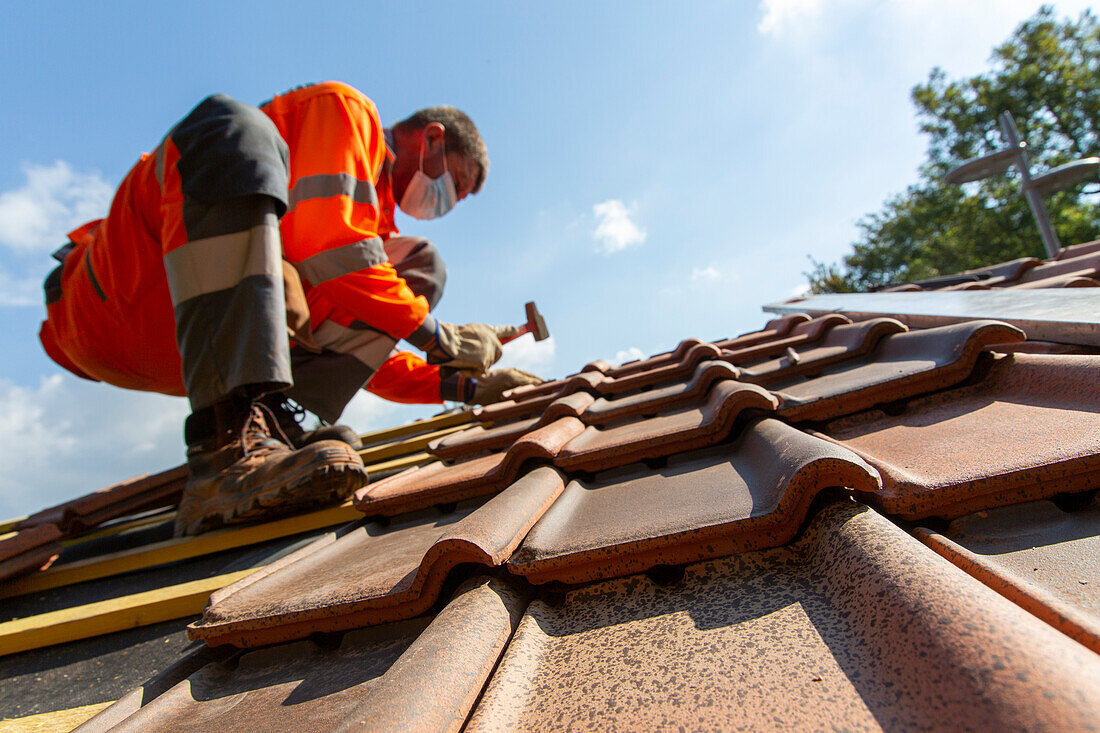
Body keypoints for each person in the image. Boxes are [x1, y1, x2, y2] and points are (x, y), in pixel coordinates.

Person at [38, 81, 542, 536]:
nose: (445, 201)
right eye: (453, 182)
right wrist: (442, 339)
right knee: (231, 125)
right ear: (431, 138)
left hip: (190, 336)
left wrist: (464, 386)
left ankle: (266, 421)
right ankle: (223, 452)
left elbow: (351, 353)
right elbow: (335, 248)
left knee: (418, 265)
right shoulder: (344, 114)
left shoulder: (365, 229)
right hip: (119, 292)